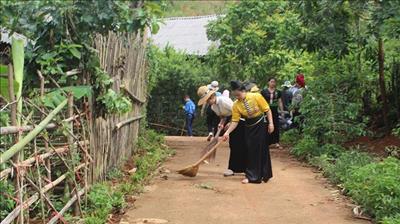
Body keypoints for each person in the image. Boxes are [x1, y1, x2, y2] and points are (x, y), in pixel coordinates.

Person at [223, 81, 274, 184]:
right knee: (250, 150)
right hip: (249, 127)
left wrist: (271, 123)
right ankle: (252, 176)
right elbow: (235, 121)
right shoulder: (236, 105)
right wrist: (227, 132)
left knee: (261, 149)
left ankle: (264, 174)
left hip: (260, 125)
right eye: (235, 95)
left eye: (239, 94)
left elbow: (267, 110)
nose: (238, 97)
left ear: (243, 91)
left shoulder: (256, 96)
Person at [197, 85, 247, 177]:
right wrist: (222, 122)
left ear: (213, 96)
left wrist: (231, 122)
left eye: (208, 100)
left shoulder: (224, 100)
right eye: (206, 101)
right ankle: (233, 168)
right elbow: (223, 116)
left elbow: (237, 111)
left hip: (241, 121)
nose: (208, 102)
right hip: (230, 122)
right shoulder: (213, 107)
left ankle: (247, 168)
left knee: (242, 145)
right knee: (233, 145)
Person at [261, 77, 284, 149]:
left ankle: (276, 142)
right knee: (266, 124)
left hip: (274, 110)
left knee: (275, 124)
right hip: (266, 110)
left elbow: (280, 101)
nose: (273, 83)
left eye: (274, 82)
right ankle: (266, 142)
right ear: (268, 82)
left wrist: (282, 111)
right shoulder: (264, 91)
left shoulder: (278, 92)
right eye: (271, 82)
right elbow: (260, 101)